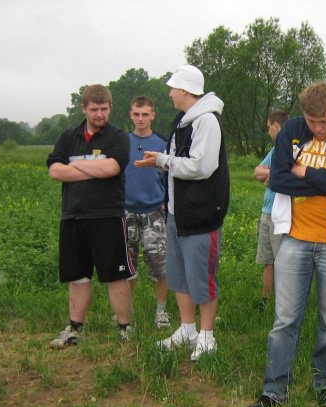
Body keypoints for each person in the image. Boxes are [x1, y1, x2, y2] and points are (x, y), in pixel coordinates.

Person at [245, 82, 326, 407]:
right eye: (311, 121)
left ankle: (325, 385)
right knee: (285, 318)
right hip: (294, 238)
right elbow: (278, 180)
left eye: (324, 122)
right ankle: (274, 390)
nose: (316, 128)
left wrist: (304, 171)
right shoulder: (292, 129)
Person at [135, 64, 229, 361]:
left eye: (173, 88)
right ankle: (187, 330)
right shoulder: (183, 120)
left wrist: (163, 161)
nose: (170, 93)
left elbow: (202, 166)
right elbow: (179, 159)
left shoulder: (207, 122)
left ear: (186, 91)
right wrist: (164, 161)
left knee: (201, 275)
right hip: (178, 212)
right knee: (180, 275)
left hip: (201, 213)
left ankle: (207, 336)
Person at [47, 84, 134, 347]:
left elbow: (113, 167)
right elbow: (55, 171)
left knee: (115, 275)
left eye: (104, 109)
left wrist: (76, 164)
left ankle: (124, 328)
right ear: (83, 108)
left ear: (110, 107)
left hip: (108, 215)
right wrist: (94, 167)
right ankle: (75, 329)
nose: (100, 114)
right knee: (78, 275)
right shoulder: (68, 135)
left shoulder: (118, 136)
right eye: (94, 109)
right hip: (73, 215)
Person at [125, 96, 170, 328]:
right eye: (136, 114)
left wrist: (166, 200)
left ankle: (161, 311)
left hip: (154, 212)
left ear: (153, 115)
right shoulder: (122, 142)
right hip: (126, 212)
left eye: (145, 114)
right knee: (126, 265)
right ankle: (125, 311)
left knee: (160, 265)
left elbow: (172, 175)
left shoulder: (163, 142)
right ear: (130, 115)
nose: (140, 119)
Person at [253, 110, 289, 311]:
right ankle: (266, 301)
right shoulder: (275, 150)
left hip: (280, 212)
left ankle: (283, 305)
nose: (268, 132)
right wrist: (271, 175)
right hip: (267, 211)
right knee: (268, 261)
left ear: (276, 126)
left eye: (268, 127)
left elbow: (278, 178)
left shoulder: (291, 147)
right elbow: (257, 172)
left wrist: (272, 176)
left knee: (282, 261)